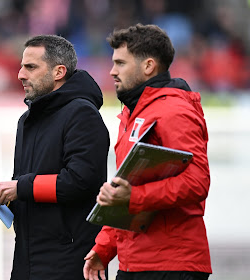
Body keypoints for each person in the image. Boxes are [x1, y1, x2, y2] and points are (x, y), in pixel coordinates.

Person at [83, 23, 212, 280]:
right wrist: (105, 247)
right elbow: (127, 190)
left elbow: (198, 183)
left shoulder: (174, 110)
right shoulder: (133, 113)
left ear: (148, 66)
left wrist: (134, 196)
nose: (111, 71)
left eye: (120, 63)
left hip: (173, 265)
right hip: (135, 264)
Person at [0, 35, 110, 280]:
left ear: (59, 72)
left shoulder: (82, 114)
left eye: (31, 67)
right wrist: (8, 196)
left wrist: (21, 188)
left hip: (69, 261)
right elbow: (26, 184)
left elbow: (81, 181)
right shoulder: (27, 120)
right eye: (21, 67)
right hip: (27, 259)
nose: (21, 75)